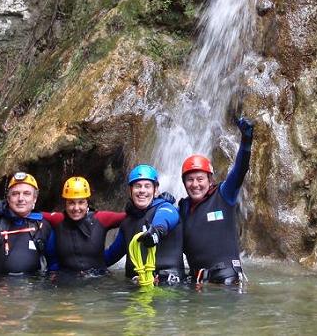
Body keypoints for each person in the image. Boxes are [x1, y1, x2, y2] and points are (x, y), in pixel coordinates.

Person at [179, 117, 253, 285]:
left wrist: (247, 140)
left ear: (210, 180)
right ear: (184, 183)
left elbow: (239, 170)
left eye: (200, 179)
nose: (195, 184)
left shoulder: (223, 195)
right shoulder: (183, 208)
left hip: (227, 281)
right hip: (197, 284)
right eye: (190, 180)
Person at [105, 164, 183, 285]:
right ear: (130, 190)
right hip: (135, 287)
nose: (142, 190)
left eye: (147, 186)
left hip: (167, 286)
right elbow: (110, 256)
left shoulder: (166, 207)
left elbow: (165, 218)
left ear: (155, 190)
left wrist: (156, 232)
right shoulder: (128, 222)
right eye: (137, 186)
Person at [42, 176, 126, 276]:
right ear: (65, 204)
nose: (76, 208)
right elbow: (34, 214)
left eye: (81, 202)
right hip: (68, 280)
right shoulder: (58, 219)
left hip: (98, 279)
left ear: (87, 203)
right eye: (71, 203)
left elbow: (129, 217)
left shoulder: (101, 218)